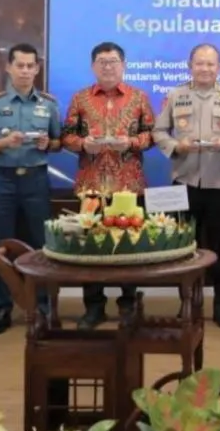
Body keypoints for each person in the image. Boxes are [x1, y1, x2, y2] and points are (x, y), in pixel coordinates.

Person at [60, 42, 155, 329]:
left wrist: (131, 142)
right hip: (91, 186)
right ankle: (94, 307)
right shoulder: (80, 98)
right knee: (90, 248)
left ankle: (128, 305)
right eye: (102, 61)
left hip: (129, 186)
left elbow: (152, 136)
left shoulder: (139, 98)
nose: (108, 67)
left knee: (129, 247)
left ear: (123, 65)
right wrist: (82, 144)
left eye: (113, 61)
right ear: (93, 66)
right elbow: (66, 136)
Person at [152, 44, 220, 328]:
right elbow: (158, 131)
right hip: (184, 181)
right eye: (200, 63)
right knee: (185, 248)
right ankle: (188, 303)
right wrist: (176, 146)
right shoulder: (176, 95)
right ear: (190, 66)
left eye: (210, 64)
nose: (205, 69)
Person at [0, 43, 62, 336]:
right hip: (4, 180)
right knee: (1, 245)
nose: (25, 71)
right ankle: (1, 308)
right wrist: (4, 143)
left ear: (37, 69)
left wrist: (48, 144)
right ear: (8, 67)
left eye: (30, 66)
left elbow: (58, 142)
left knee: (41, 244)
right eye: (19, 65)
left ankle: (43, 307)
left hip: (36, 179)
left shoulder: (48, 104)